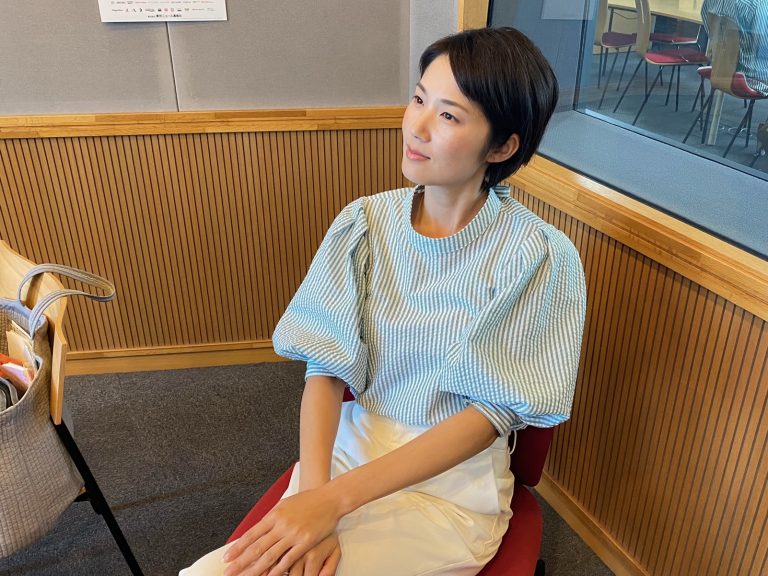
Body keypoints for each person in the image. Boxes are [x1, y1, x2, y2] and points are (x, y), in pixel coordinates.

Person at [180, 26, 586, 576]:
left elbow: (490, 414)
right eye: (419, 98)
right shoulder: (365, 224)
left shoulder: (536, 256)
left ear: (501, 146)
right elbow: (325, 369)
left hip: (449, 486)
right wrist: (315, 497)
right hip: (347, 452)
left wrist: (333, 503)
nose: (416, 126)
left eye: (448, 115)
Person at [701, 0, 768, 93]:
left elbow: (708, 27)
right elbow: (762, 44)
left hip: (720, 67)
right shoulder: (759, 4)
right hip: (751, 75)